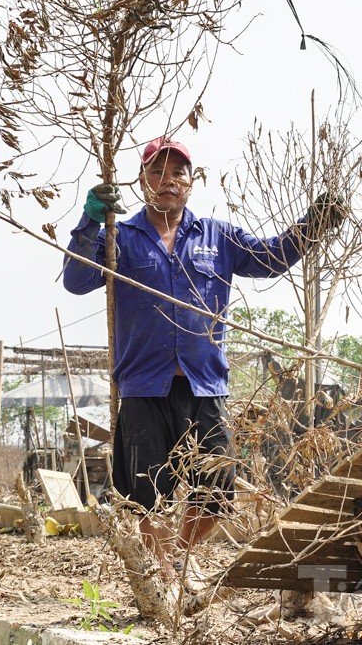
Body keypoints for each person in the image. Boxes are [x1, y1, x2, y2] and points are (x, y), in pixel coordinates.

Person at [62, 136, 344, 584]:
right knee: (144, 495)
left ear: (192, 182)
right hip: (143, 386)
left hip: (203, 386)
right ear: (141, 180)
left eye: (178, 173)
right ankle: (165, 572)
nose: (167, 181)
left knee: (216, 493)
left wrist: (313, 226)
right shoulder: (123, 239)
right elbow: (76, 281)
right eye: (157, 172)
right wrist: (90, 221)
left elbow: (271, 258)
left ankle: (177, 557)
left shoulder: (218, 237)